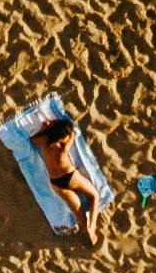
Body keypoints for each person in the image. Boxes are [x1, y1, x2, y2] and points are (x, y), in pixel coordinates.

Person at [31, 102, 108, 247]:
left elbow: (32, 140)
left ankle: (84, 227)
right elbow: (71, 132)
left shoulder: (44, 141)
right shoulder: (64, 142)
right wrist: (56, 126)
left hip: (56, 182)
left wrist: (44, 128)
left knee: (78, 212)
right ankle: (92, 228)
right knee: (94, 196)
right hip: (71, 176)